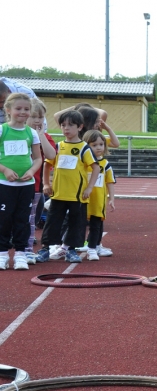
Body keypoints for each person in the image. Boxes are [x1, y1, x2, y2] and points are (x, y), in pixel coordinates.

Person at [36, 110, 100, 263]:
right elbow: (47, 165)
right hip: (58, 194)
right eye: (63, 125)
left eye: (70, 125)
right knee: (52, 222)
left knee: (76, 223)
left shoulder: (84, 148)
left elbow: (96, 167)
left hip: (77, 195)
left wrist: (89, 187)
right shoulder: (58, 147)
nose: (66, 128)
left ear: (80, 127)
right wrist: (46, 183)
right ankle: (45, 249)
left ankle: (71, 250)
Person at [0, 93, 43, 270]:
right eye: (18, 109)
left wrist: (31, 171)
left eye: (26, 109)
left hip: (25, 185)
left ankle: (20, 254)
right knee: (4, 219)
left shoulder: (31, 133)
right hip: (5, 184)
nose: (23, 112)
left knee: (22, 219)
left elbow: (38, 158)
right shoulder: (3, 130)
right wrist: (5, 170)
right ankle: (2, 254)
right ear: (8, 110)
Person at [25, 98, 57, 265]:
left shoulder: (45, 136)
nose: (37, 120)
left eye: (41, 117)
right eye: (34, 116)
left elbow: (51, 155)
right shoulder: (14, 132)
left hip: (35, 186)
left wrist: (41, 135)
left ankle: (27, 247)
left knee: (33, 218)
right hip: (13, 184)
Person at [81, 130, 116, 261]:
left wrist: (111, 199)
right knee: (76, 223)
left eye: (101, 144)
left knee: (96, 225)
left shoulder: (105, 165)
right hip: (83, 199)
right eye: (94, 145)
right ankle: (67, 246)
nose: (99, 147)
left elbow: (110, 182)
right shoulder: (84, 163)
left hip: (98, 201)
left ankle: (93, 247)